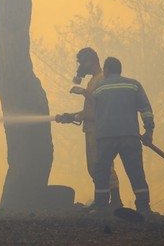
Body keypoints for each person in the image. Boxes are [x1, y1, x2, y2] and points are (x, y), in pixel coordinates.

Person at [55, 47, 123, 209]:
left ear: (90, 61)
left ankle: (114, 201)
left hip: (99, 130)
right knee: (94, 166)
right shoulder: (93, 80)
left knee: (103, 165)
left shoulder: (101, 79)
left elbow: (102, 109)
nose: (80, 68)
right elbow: (90, 111)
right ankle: (102, 201)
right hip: (92, 129)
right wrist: (71, 116)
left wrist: (84, 93)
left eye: (82, 63)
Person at [91, 56, 156, 215]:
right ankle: (143, 208)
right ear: (120, 70)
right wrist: (149, 130)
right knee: (136, 172)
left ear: (106, 70)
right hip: (129, 136)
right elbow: (145, 108)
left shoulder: (98, 88)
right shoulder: (133, 85)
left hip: (105, 137)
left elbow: (94, 112)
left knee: (102, 172)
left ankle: (101, 207)